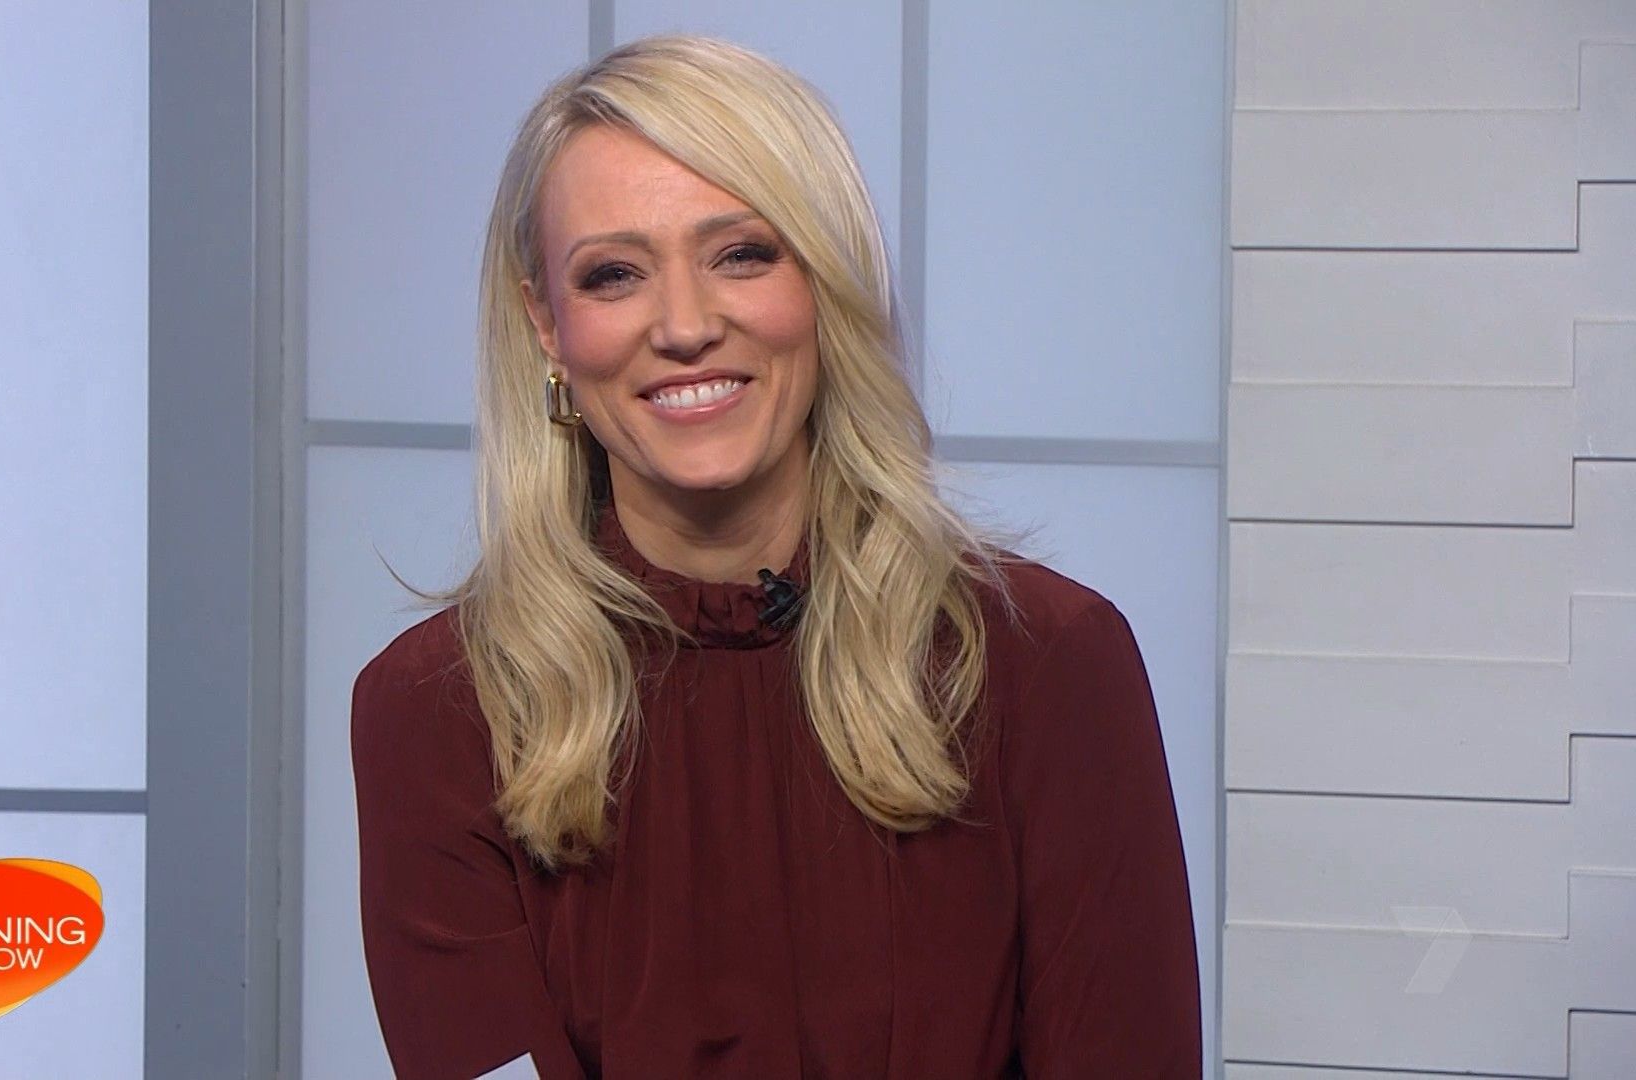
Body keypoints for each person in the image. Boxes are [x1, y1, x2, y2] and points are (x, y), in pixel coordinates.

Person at [350, 33, 1200, 1079]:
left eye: (742, 254)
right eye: (614, 274)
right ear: (547, 327)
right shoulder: (434, 711)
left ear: (825, 285)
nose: (685, 325)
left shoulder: (1050, 662)